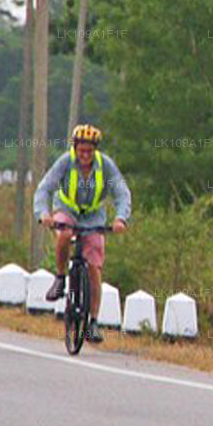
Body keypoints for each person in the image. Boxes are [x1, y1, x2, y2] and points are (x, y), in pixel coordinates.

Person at [33, 124, 131, 344]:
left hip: (93, 217)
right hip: (66, 210)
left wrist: (120, 218)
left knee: (94, 265)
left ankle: (93, 322)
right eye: (81, 150)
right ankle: (60, 278)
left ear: (95, 150)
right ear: (75, 148)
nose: (85, 155)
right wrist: (44, 214)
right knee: (64, 234)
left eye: (89, 151)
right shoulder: (65, 162)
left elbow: (122, 193)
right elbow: (44, 188)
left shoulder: (105, 165)